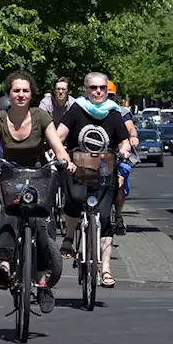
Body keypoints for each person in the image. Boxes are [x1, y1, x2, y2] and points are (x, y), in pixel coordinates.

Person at [0, 71, 75, 306]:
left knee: (39, 225)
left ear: (31, 94)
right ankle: (4, 265)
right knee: (5, 212)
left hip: (37, 176)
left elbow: (57, 146)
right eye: (16, 91)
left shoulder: (41, 117)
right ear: (9, 94)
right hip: (10, 175)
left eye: (25, 91)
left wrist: (66, 160)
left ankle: (42, 284)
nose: (21, 95)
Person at [55, 72, 131, 289]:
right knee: (73, 200)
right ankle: (70, 235)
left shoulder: (113, 113)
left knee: (105, 218)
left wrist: (124, 150)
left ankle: (105, 269)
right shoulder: (77, 109)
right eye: (93, 88)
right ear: (86, 90)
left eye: (102, 88)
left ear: (107, 90)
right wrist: (60, 154)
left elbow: (123, 141)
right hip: (78, 168)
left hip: (105, 172)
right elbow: (59, 135)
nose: (98, 92)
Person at [107, 81, 138, 236]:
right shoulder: (90, 111)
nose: (108, 98)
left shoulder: (121, 112)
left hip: (116, 154)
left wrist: (132, 137)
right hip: (95, 155)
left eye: (111, 95)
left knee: (120, 181)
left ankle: (118, 216)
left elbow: (130, 127)